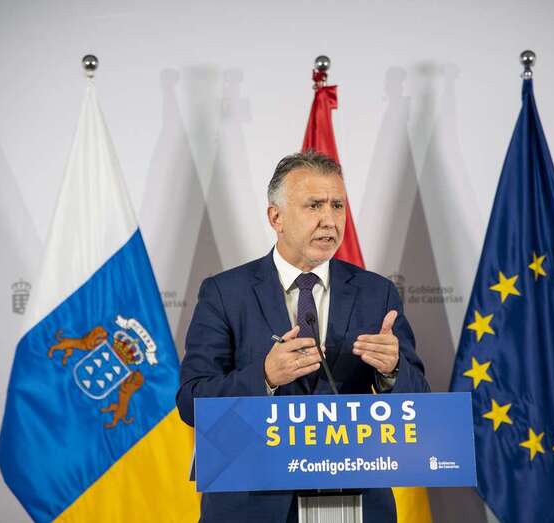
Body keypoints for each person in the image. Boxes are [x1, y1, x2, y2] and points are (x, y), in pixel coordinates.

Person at [177, 151, 429, 523]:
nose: (330, 220)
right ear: (275, 217)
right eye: (314, 206)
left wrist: (391, 371)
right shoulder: (224, 293)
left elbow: (421, 404)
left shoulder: (378, 293)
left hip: (353, 501)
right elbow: (191, 401)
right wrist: (263, 377)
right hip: (250, 504)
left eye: (338, 206)